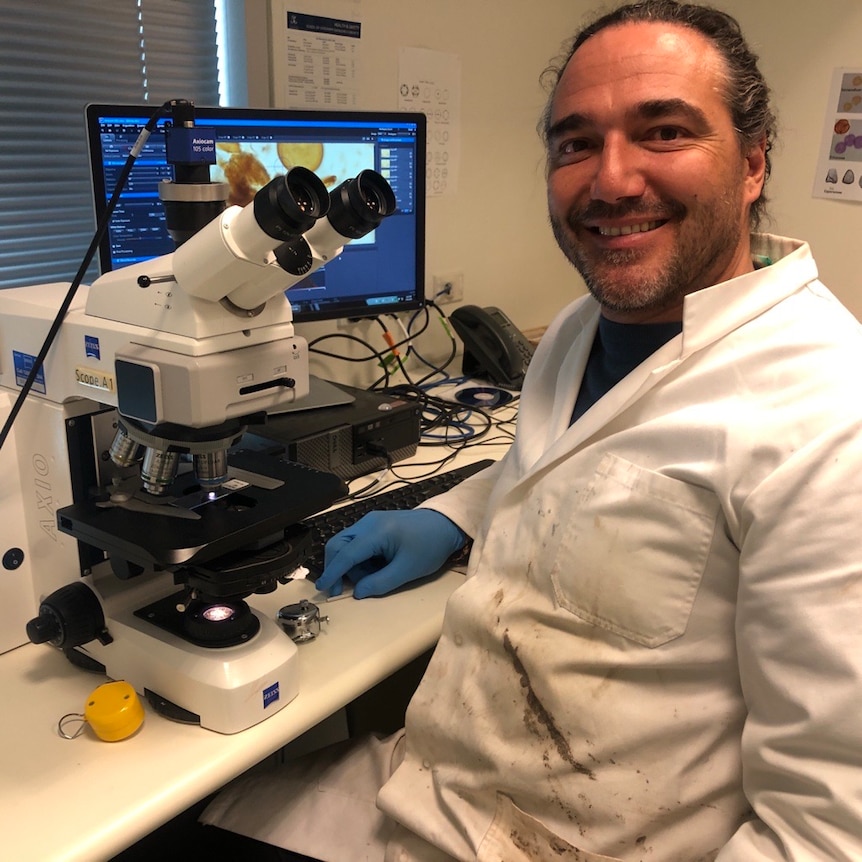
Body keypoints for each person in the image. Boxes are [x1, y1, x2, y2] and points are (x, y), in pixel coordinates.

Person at [201, 1, 862, 859]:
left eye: (663, 131)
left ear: (752, 162)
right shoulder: (583, 330)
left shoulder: (830, 415)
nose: (612, 179)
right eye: (576, 143)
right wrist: (455, 514)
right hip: (432, 786)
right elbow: (570, 472)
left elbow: (827, 828)